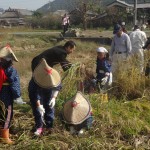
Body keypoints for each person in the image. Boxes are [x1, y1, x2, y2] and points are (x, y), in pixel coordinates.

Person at [28, 40, 76, 136]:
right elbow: (33, 94)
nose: (72, 52)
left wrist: (54, 98)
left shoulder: (52, 77)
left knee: (49, 105)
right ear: (68, 47)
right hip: (39, 65)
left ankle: (49, 127)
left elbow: (58, 85)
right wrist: (38, 105)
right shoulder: (35, 80)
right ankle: (39, 126)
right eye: (72, 49)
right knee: (38, 109)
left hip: (40, 65)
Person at [0, 45, 22, 144]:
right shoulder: (10, 70)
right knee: (7, 114)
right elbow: (14, 83)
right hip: (6, 94)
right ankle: (5, 138)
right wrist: (18, 96)